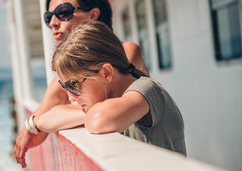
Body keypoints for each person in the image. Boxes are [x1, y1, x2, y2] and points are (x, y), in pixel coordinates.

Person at [13, 0, 149, 168]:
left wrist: (45, 119)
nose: (53, 22)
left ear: (92, 16)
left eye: (63, 12)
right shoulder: (65, 79)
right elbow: (33, 139)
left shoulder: (127, 52)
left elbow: (105, 111)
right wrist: (35, 124)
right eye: (49, 17)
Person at [52, 21, 186, 155]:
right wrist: (32, 124)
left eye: (73, 85)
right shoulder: (114, 102)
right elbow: (48, 119)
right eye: (64, 86)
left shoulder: (146, 88)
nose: (71, 97)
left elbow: (99, 120)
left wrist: (83, 113)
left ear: (106, 73)